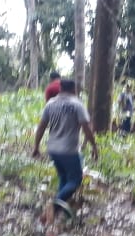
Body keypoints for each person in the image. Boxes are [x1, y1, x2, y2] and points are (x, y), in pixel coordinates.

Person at [31, 79, 99, 221]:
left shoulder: (50, 104)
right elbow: (86, 128)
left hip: (53, 149)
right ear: (74, 90)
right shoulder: (77, 105)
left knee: (64, 178)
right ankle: (54, 205)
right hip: (69, 150)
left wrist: (36, 146)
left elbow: (42, 127)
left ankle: (56, 213)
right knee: (75, 180)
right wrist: (94, 146)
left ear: (60, 89)